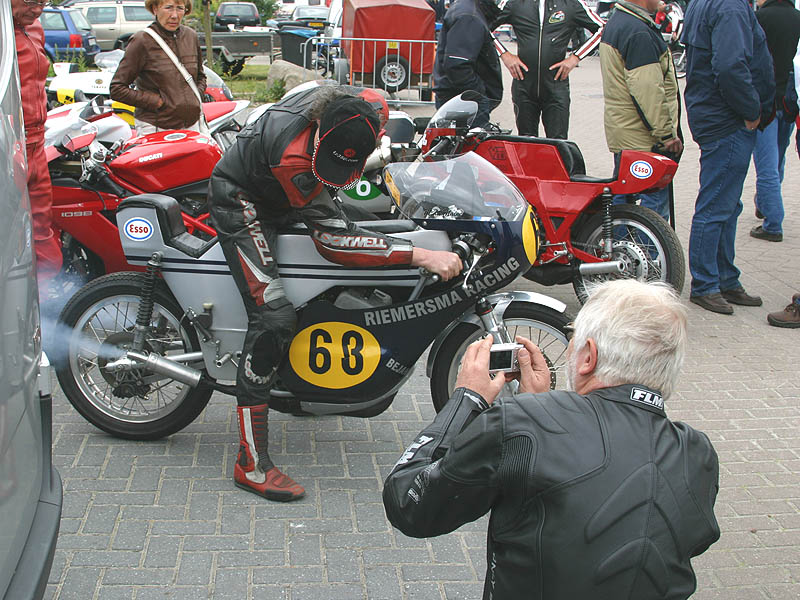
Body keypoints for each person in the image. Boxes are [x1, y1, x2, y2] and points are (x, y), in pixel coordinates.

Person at [383, 280, 720, 599]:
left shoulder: (520, 423)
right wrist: (539, 407)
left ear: (588, 357)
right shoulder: (698, 454)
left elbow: (408, 503)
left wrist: (466, 399)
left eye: (572, 339)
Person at [208, 85, 462, 502]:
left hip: (284, 192)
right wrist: (420, 255)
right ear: (319, 130)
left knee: (374, 226)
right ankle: (250, 463)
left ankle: (306, 382)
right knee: (274, 317)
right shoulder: (295, 153)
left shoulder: (348, 111)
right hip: (244, 200)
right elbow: (333, 241)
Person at [683, 0, 774, 315]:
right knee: (717, 205)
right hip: (726, 119)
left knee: (726, 204)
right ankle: (707, 284)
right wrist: (751, 110)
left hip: (714, 115)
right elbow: (730, 66)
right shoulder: (731, 7)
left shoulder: (708, 3)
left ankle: (724, 278)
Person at [599, 0, 682, 221]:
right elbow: (648, 90)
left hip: (626, 133)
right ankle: (649, 254)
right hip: (644, 139)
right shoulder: (637, 32)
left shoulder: (618, 22)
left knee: (623, 199)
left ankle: (617, 249)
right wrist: (666, 135)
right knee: (653, 207)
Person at [490, 0, 605, 139]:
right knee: (526, 144)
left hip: (556, 86)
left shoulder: (571, 3)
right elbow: (482, 25)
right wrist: (505, 55)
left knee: (558, 144)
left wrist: (575, 58)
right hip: (524, 86)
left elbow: (603, 28)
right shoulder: (514, 3)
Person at [13, 0, 64, 282]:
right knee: (11, 239)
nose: (38, 9)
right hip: (10, 145)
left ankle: (47, 311)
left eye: (43, 2)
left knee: (43, 232)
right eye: (31, 1)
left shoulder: (34, 28)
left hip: (36, 143)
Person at [110, 0, 205, 134]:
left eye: (180, 8)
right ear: (155, 9)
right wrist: (156, 102)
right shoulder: (142, 40)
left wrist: (195, 97)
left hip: (192, 125)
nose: (174, 15)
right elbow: (117, 89)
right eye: (168, 8)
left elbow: (200, 76)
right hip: (156, 126)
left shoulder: (191, 36)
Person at [750, 0, 800, 243]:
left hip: (767, 100)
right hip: (790, 99)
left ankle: (773, 223)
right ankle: (765, 203)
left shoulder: (760, 19)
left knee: (766, 165)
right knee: (777, 158)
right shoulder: (797, 17)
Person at [433, 0, 504, 127]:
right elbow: (457, 65)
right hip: (464, 101)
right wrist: (479, 95)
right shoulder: (469, 16)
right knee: (466, 145)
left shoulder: (468, 10)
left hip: (462, 98)